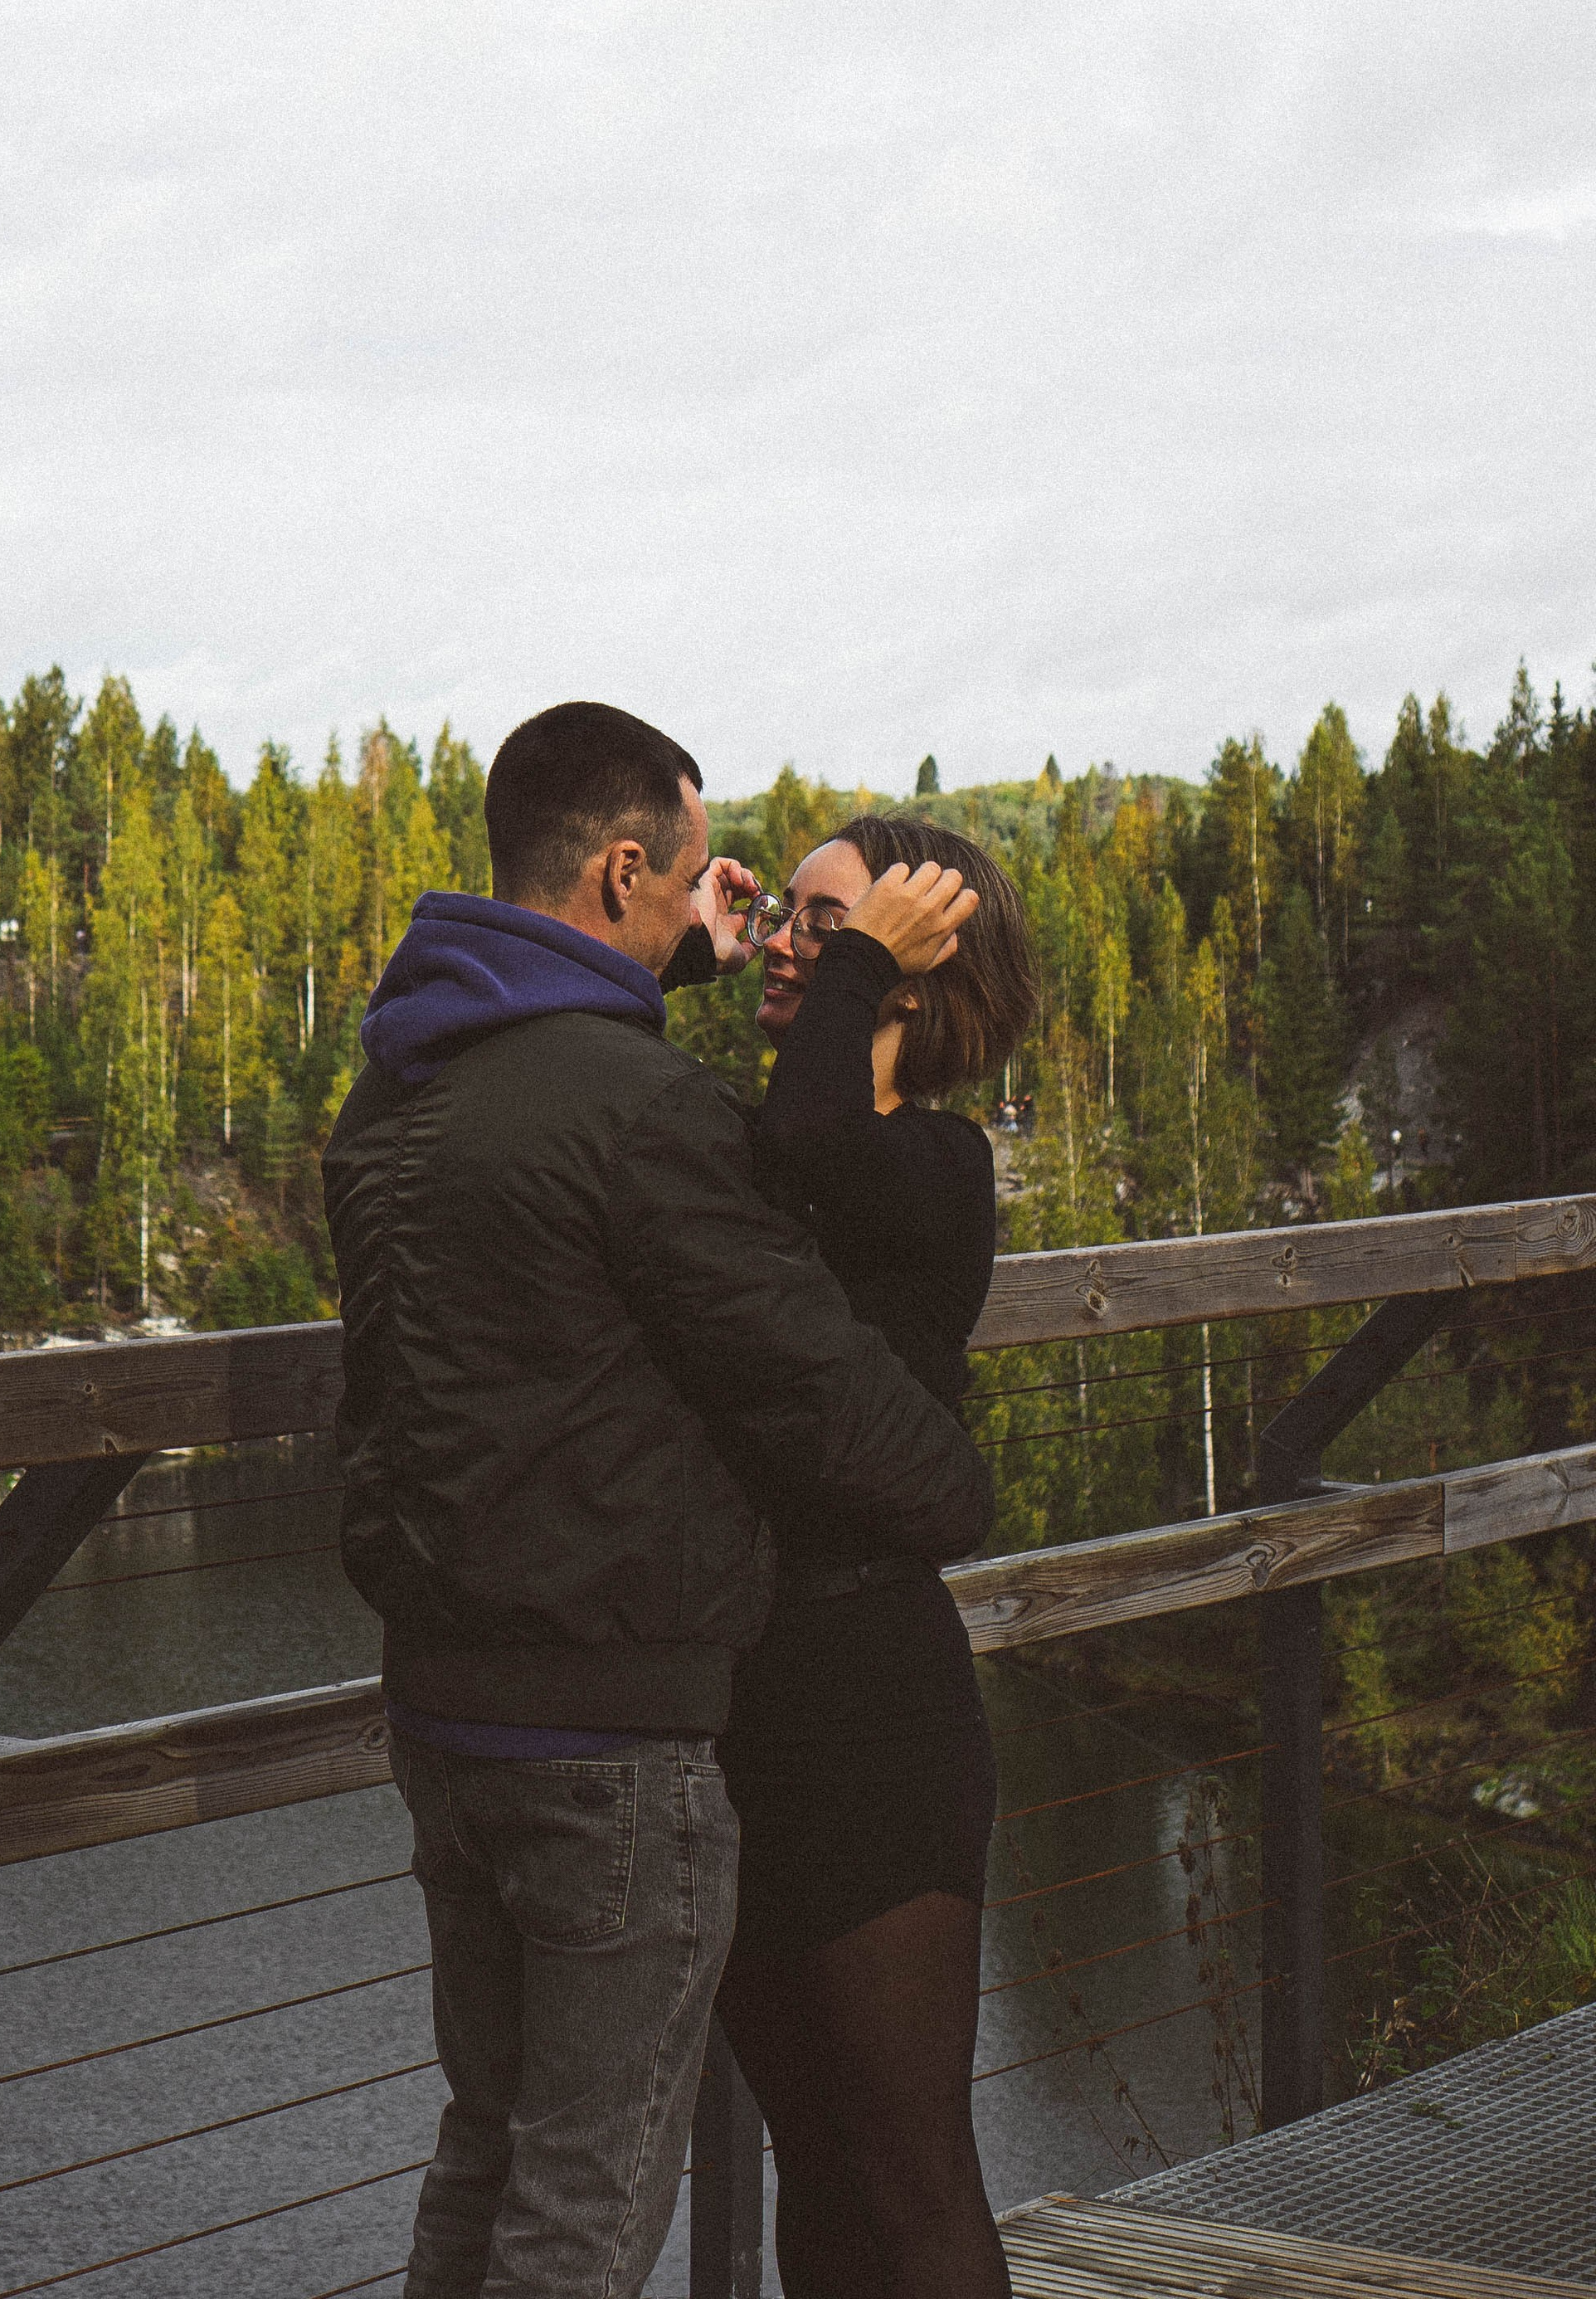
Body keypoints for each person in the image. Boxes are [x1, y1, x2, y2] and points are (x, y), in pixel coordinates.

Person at [324, 707, 995, 2299]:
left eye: (815, 927)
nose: (756, 929)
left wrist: (672, 941)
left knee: (508, 2155)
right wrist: (960, 1491)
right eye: (725, 891)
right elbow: (805, 1364)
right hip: (631, 1721)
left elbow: (720, 1140)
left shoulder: (399, 1089)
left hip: (480, 1713)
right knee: (586, 2197)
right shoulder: (648, 1117)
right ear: (631, 869)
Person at [679, 813, 1038, 2299]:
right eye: (788, 925)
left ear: (904, 974)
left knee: (908, 2176)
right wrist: (680, 939)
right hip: (747, 1706)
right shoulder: (763, 1152)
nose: (787, 947)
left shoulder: (930, 1165)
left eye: (826, 929)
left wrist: (858, 962)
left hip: (875, 1710)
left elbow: (822, 1131)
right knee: (812, 2164)